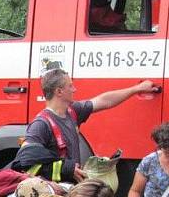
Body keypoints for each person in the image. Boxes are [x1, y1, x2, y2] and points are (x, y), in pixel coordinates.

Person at [19, 67, 155, 183]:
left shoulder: (73, 111)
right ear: (59, 91)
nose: (74, 89)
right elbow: (26, 164)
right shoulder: (40, 125)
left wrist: (137, 89)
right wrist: (65, 170)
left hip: (69, 190)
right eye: (70, 86)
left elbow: (104, 101)